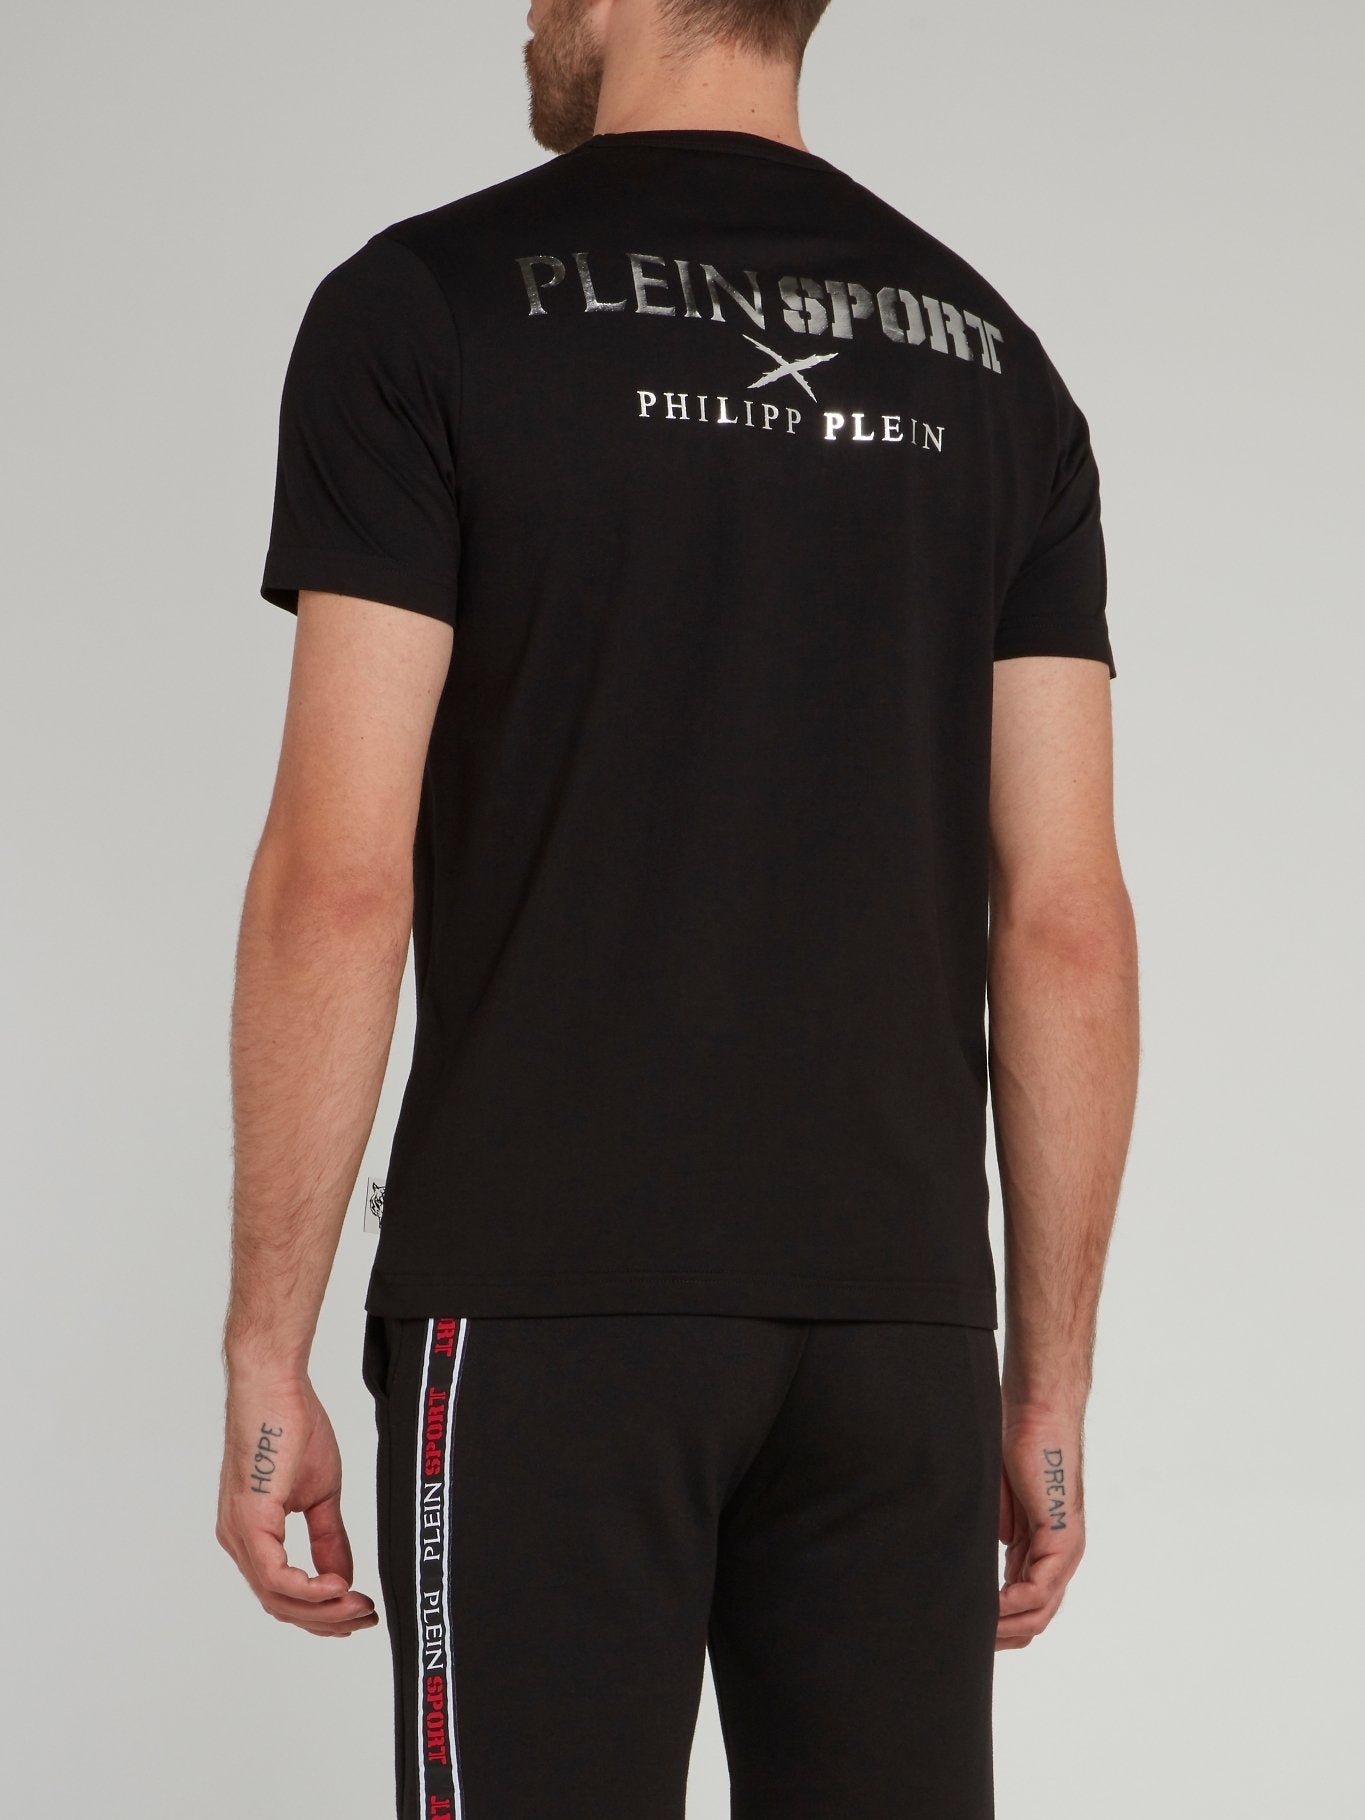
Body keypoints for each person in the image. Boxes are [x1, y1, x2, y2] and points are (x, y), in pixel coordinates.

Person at [215, 0, 1140, 1813]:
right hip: (899, 1339)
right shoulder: (995, 365)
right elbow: (1063, 921)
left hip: (549, 1313)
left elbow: (336, 875)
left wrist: (265, 1345)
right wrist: (1045, 1389)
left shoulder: (425, 308)